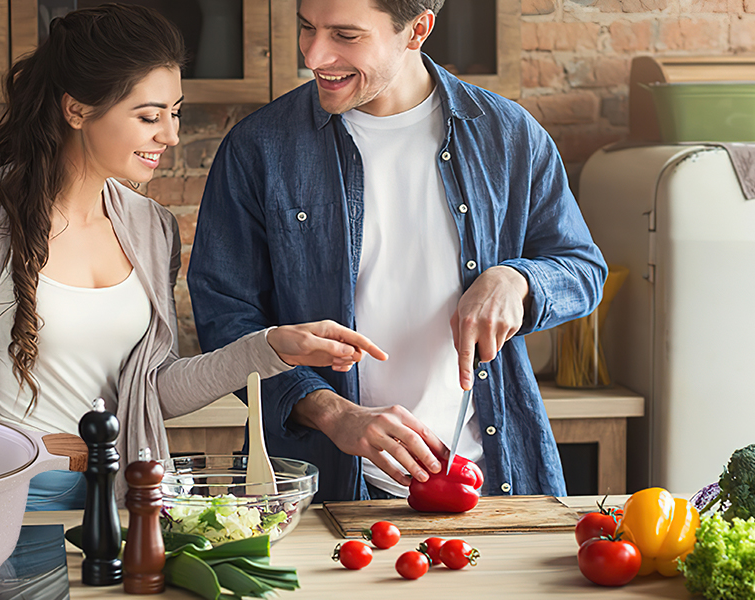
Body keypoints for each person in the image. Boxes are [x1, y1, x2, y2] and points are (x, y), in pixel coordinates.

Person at [0, 4, 384, 511]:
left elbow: (153, 389)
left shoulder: (151, 230)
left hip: (123, 496)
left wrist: (270, 347)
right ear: (77, 110)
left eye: (174, 113)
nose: (171, 135)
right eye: (149, 116)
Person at [188, 0, 607, 502]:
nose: (315, 55)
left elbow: (582, 269)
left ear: (417, 30)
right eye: (306, 28)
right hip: (323, 485)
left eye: (345, 35)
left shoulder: (508, 135)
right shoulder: (259, 148)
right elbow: (225, 319)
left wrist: (516, 281)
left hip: (491, 477)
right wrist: (331, 412)